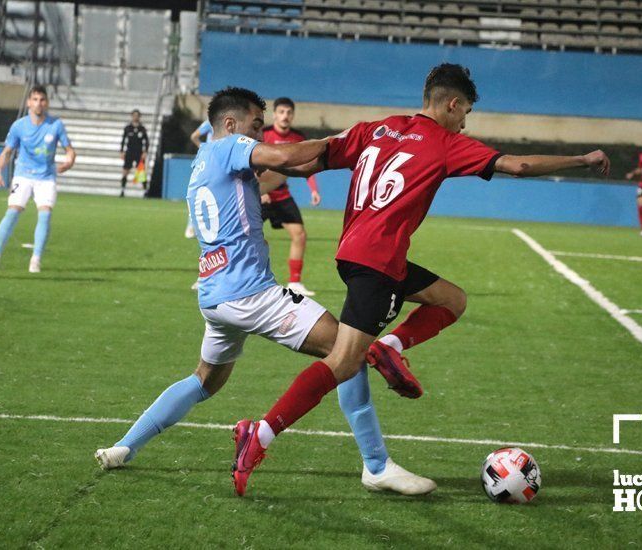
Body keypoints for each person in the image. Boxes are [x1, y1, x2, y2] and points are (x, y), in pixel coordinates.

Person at [231, 64, 611, 496]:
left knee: (452, 300)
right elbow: (518, 165)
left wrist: (248, 166)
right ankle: (260, 434)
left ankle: (388, 349)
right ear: (452, 104)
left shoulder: (377, 129)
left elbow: (309, 163)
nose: (465, 121)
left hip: (358, 254)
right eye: (465, 111)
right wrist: (583, 158)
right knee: (342, 363)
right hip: (377, 263)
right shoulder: (446, 142)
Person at [95, 87, 436, 496]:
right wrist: (354, 139)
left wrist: (321, 164)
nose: (263, 134)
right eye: (257, 125)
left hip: (216, 297)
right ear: (231, 124)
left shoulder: (204, 159)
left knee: (205, 380)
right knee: (348, 352)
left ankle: (123, 447)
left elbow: (278, 173)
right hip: (252, 294)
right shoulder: (231, 146)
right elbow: (285, 156)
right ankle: (377, 465)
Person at [0, 85, 75, 273]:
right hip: (23, 174)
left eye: (42, 100)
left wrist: (69, 163)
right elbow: (7, 151)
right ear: (28, 102)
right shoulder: (19, 126)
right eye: (35, 99)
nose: (38, 103)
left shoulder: (56, 125)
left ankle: (36, 260)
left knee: (45, 214)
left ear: (47, 103)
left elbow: (70, 150)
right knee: (12, 212)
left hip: (46, 176)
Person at [261, 97, 321, 296]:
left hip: (282, 195)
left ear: (293, 116)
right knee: (242, 237)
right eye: (281, 112)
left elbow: (307, 165)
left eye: (288, 112)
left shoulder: (298, 137)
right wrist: (261, 192)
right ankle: (213, 276)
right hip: (259, 195)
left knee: (299, 235)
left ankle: (294, 282)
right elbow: (251, 163)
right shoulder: (264, 134)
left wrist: (313, 189)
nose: (285, 116)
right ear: (274, 114)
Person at [186, 119, 214, 240]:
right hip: (209, 162)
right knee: (199, 193)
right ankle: (191, 226)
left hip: (220, 162)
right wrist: (203, 148)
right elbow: (194, 136)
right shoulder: (212, 121)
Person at [119, 109, 149, 198]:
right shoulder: (128, 128)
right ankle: (122, 190)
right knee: (125, 171)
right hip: (129, 152)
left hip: (139, 153)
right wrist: (122, 151)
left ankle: (145, 191)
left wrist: (145, 151)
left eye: (137, 116)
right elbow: (123, 140)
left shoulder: (142, 129)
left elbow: (146, 141)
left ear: (139, 117)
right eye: (134, 115)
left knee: (141, 172)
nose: (136, 117)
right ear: (132, 116)